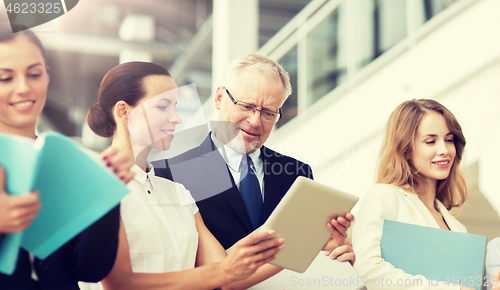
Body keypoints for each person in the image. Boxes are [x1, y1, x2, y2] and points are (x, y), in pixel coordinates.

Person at [86, 61, 295, 290]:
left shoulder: (177, 192)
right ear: (124, 111)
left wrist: (307, 241)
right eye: (163, 106)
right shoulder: (96, 183)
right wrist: (226, 270)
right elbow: (118, 284)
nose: (176, 118)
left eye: (175, 107)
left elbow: (229, 276)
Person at [152, 54, 355, 264]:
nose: (256, 121)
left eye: (268, 113)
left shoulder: (297, 173)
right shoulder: (170, 175)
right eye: (247, 106)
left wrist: (330, 253)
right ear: (219, 98)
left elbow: (301, 255)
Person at [0, 23, 134, 290]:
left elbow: (90, 269)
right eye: (5, 78)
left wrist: (106, 196)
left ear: (47, 76)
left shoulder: (66, 162)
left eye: (34, 74)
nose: (24, 88)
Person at [352, 99, 474, 290]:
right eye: (430, 141)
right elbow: (368, 269)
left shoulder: (458, 227)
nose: (444, 150)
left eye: (449, 140)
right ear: (406, 149)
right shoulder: (384, 195)